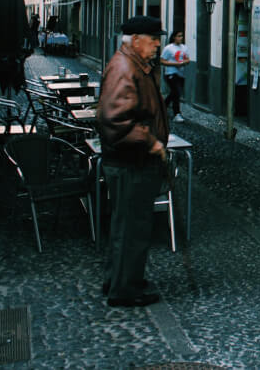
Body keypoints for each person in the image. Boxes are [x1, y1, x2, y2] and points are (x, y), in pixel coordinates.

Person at [96, 15, 169, 307]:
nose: (156, 45)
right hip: (131, 163)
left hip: (133, 162)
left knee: (126, 226)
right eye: (153, 39)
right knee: (132, 229)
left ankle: (118, 280)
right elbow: (114, 121)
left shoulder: (134, 65)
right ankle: (125, 290)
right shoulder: (126, 67)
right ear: (135, 40)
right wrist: (150, 141)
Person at [160, 30, 191, 123]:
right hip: (170, 73)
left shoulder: (184, 48)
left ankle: (162, 108)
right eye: (179, 36)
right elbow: (162, 61)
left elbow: (187, 59)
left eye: (181, 36)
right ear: (174, 37)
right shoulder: (168, 48)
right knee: (176, 92)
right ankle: (177, 114)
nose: (181, 38)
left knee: (174, 93)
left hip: (181, 73)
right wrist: (174, 64)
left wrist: (183, 62)